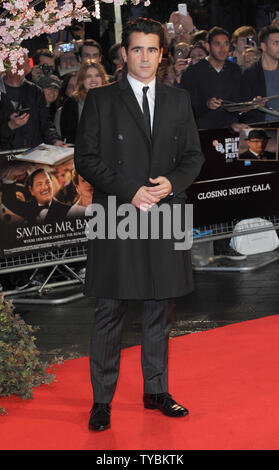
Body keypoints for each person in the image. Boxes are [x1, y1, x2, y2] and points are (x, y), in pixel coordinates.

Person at [74, 17, 204, 432]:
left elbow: (194, 157)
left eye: (152, 49)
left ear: (161, 54)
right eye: (137, 49)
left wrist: (172, 183)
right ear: (123, 54)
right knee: (110, 309)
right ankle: (101, 401)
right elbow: (86, 159)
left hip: (166, 211)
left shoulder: (178, 100)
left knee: (159, 308)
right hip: (116, 212)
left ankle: (156, 391)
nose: (144, 57)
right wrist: (132, 191)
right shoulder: (101, 100)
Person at [180, 26, 242, 130]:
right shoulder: (193, 72)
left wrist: (248, 105)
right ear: (208, 46)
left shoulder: (234, 69)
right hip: (202, 131)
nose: (223, 49)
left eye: (226, 44)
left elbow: (238, 100)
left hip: (230, 129)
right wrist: (206, 104)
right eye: (217, 44)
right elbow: (186, 106)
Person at [0, 54, 64, 150]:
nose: (28, 62)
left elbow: (45, 124)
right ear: (8, 64)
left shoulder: (35, 91)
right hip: (6, 158)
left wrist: (55, 141)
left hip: (34, 156)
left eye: (26, 58)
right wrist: (10, 126)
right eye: (21, 59)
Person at [60, 59, 109, 144]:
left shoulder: (111, 99)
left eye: (97, 75)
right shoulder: (72, 102)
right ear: (82, 80)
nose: (93, 80)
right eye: (88, 76)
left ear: (102, 78)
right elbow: (68, 134)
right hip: (83, 151)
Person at [1, 167, 70, 225]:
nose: (45, 187)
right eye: (39, 184)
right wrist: (11, 176)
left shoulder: (68, 211)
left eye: (47, 182)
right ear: (31, 190)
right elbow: (9, 201)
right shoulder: (30, 208)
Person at [240, 24, 279, 123]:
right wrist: (253, 105)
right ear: (263, 46)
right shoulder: (250, 74)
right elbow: (241, 110)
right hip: (263, 129)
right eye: (276, 43)